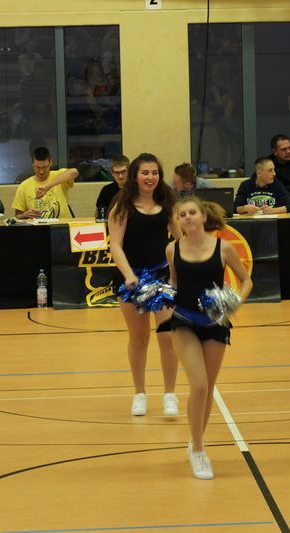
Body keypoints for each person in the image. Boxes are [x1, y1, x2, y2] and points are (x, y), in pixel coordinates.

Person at [161, 196, 252, 479]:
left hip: (215, 322)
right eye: (182, 215)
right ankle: (199, 452)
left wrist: (234, 303)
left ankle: (194, 440)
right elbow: (174, 282)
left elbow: (247, 280)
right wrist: (162, 296)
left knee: (208, 387)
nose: (187, 217)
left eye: (192, 213)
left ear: (203, 216)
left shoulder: (223, 248)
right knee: (198, 385)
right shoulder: (172, 249)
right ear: (178, 221)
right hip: (184, 320)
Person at [108, 153, 181, 417]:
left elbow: (180, 239)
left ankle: (170, 394)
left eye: (154, 173)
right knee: (139, 339)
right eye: (145, 173)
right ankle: (139, 393)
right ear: (135, 176)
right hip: (132, 279)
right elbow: (115, 245)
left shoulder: (167, 203)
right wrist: (129, 275)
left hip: (161, 276)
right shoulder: (122, 206)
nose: (150, 177)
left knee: (167, 336)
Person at [12, 147, 78, 219]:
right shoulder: (24, 186)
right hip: (37, 225)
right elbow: (17, 216)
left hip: (62, 223)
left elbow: (74, 172)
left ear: (50, 162)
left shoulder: (59, 176)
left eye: (44, 167)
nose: (41, 171)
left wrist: (47, 186)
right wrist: (25, 215)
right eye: (37, 167)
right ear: (32, 164)